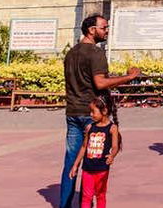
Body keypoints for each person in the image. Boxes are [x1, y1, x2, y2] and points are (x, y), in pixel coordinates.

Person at [60, 14, 139, 208]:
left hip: (72, 112)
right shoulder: (95, 53)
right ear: (91, 30)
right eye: (104, 27)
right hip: (91, 114)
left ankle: (65, 204)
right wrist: (128, 78)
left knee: (72, 161)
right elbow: (100, 82)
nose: (107, 31)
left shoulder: (71, 53)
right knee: (94, 163)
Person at [68, 96, 119, 208]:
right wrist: (75, 165)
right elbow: (84, 147)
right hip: (87, 169)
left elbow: (115, 146)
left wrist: (112, 155)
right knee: (86, 196)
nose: (90, 114)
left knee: (100, 195)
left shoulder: (112, 128)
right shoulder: (90, 127)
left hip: (102, 169)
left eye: (93, 111)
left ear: (104, 111)